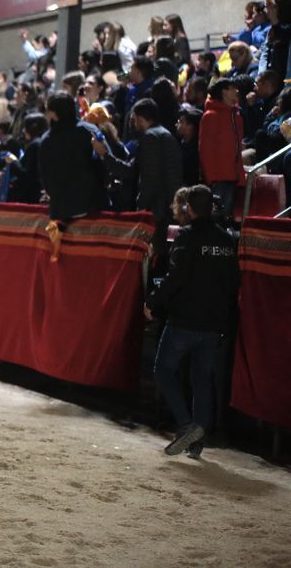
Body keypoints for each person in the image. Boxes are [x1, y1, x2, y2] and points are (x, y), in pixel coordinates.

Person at [147, 184, 239, 459]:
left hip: (185, 320)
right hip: (213, 323)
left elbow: (175, 277)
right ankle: (196, 442)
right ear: (211, 206)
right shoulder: (226, 239)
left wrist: (152, 302)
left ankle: (187, 426)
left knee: (163, 369)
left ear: (188, 208)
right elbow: (234, 282)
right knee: (202, 380)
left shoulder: (187, 236)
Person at [93, 98, 182, 265]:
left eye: (133, 119)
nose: (132, 123)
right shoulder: (165, 134)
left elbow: (148, 177)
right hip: (167, 207)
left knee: (156, 257)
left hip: (158, 209)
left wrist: (142, 207)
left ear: (140, 118)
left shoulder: (151, 138)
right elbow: (132, 169)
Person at [39, 92, 108, 222]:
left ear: (53, 114)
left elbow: (45, 175)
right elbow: (105, 159)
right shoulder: (89, 130)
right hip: (93, 204)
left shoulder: (47, 140)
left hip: (62, 209)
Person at [199, 78, 245, 219]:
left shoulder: (236, 116)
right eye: (232, 88)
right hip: (218, 178)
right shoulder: (211, 116)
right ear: (223, 92)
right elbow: (205, 149)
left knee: (226, 217)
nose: (236, 91)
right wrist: (211, 178)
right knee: (217, 216)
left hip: (232, 176)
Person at [176, 107, 202, 187]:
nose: (177, 125)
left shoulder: (196, 150)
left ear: (190, 126)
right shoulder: (181, 143)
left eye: (180, 122)